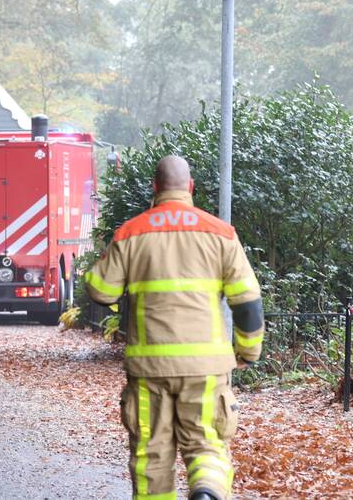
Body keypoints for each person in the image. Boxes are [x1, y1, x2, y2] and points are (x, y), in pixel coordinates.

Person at [85, 156, 264, 500]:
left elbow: (100, 290)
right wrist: (248, 351)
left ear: (155, 188)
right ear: (191, 187)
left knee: (151, 455)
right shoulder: (220, 233)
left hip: (149, 369)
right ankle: (207, 491)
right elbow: (248, 301)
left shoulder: (131, 233)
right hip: (206, 369)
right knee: (207, 443)